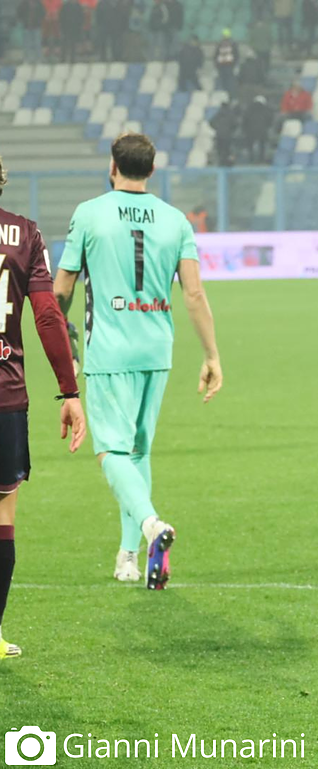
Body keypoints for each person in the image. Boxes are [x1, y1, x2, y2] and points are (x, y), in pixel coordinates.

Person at [53, 134, 223, 590]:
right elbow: (193, 293)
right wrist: (211, 354)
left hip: (110, 350)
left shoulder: (89, 213)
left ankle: (150, 526)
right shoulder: (175, 220)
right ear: (152, 170)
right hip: (156, 349)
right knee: (139, 452)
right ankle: (128, 558)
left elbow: (63, 287)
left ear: (113, 166)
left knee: (110, 451)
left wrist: (60, 335)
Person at [0, 154, 87, 659]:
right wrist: (69, 392)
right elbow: (48, 315)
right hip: (6, 395)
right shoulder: (26, 234)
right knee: (2, 512)